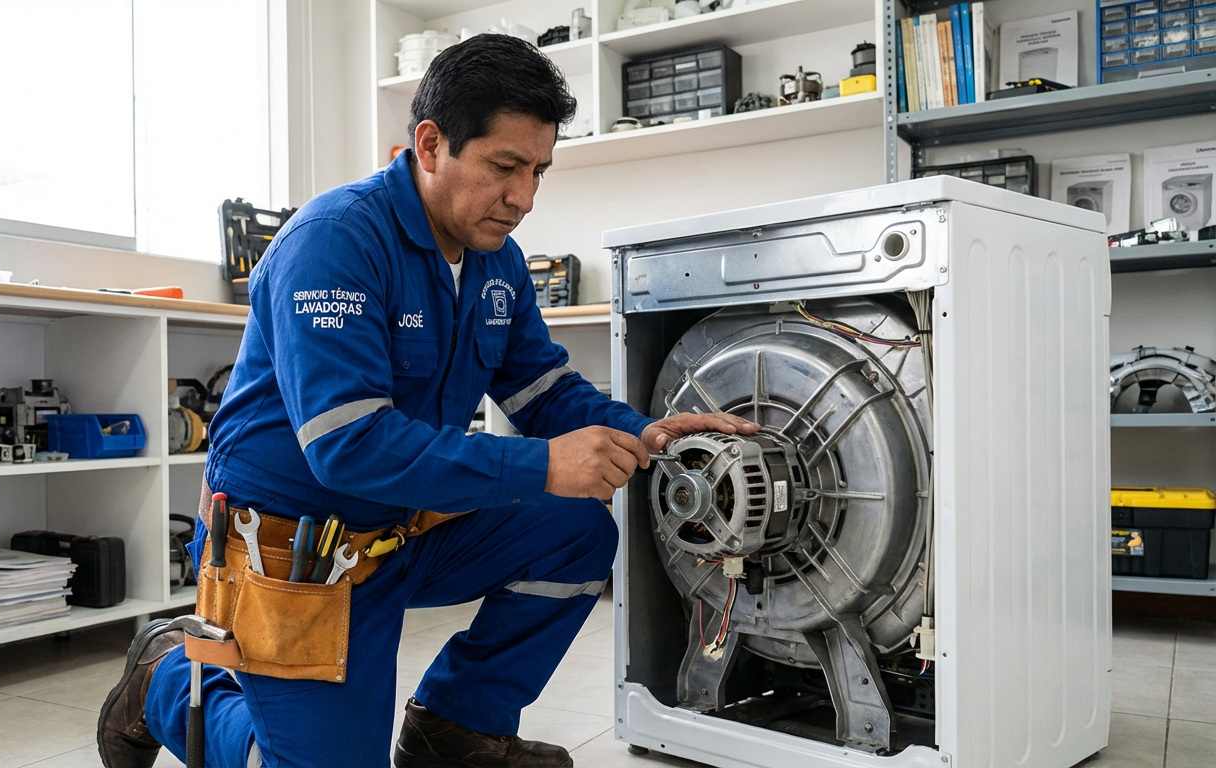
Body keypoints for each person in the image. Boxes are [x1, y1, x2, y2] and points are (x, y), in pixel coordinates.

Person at [98, 34, 755, 768]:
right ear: (432, 143)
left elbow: (542, 389)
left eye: (538, 171)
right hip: (292, 556)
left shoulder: (496, 261)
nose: (524, 198)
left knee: (574, 531)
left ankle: (453, 730)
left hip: (397, 531)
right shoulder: (333, 242)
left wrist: (647, 434)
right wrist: (539, 464)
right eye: (505, 167)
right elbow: (349, 444)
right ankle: (162, 679)